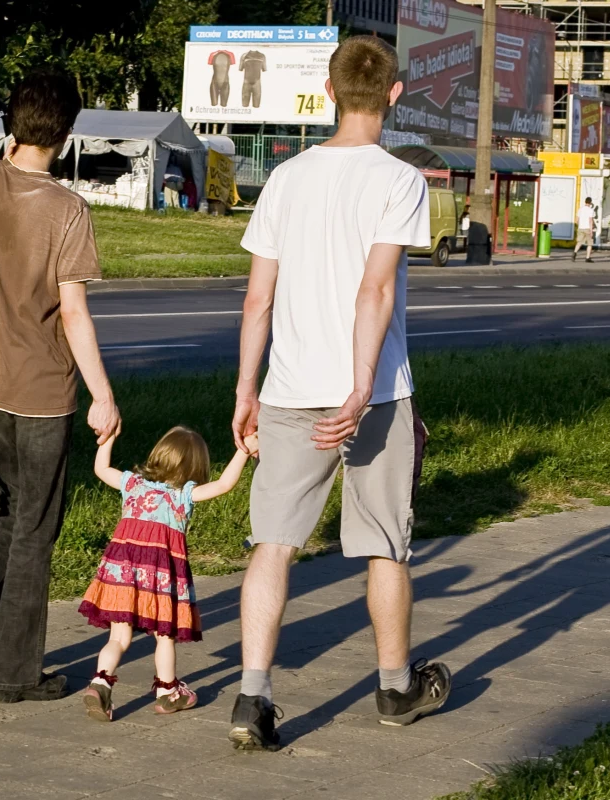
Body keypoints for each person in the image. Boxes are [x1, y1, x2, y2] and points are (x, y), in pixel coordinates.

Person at [228, 35, 452, 752]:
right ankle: (393, 688)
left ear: (327, 92)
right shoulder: (400, 180)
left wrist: (245, 389)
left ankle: (252, 697)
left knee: (274, 544)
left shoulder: (286, 180)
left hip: (290, 390)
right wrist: (360, 388)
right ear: (393, 94)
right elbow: (375, 288)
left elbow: (257, 300)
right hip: (376, 395)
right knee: (384, 545)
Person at [0, 71, 120, 704]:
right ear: (67, 135)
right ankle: (14, 673)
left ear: (12, 124)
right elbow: (73, 313)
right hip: (42, 392)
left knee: (11, 506)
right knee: (36, 526)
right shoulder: (68, 210)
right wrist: (103, 394)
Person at [78, 427, 259, 721]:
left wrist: (108, 438)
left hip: (121, 572)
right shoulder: (183, 495)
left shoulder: (132, 484)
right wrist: (244, 450)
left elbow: (101, 468)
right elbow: (224, 484)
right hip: (161, 579)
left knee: (119, 637)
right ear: (195, 466)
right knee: (165, 636)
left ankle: (100, 682)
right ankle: (167, 691)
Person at [574, 196, 597, 262]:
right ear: (590, 203)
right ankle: (587, 258)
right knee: (589, 244)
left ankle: (574, 253)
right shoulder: (590, 210)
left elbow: (577, 220)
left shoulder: (580, 209)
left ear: (585, 201)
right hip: (587, 228)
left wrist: (579, 225)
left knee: (579, 242)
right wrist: (591, 230)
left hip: (580, 228)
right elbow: (590, 220)